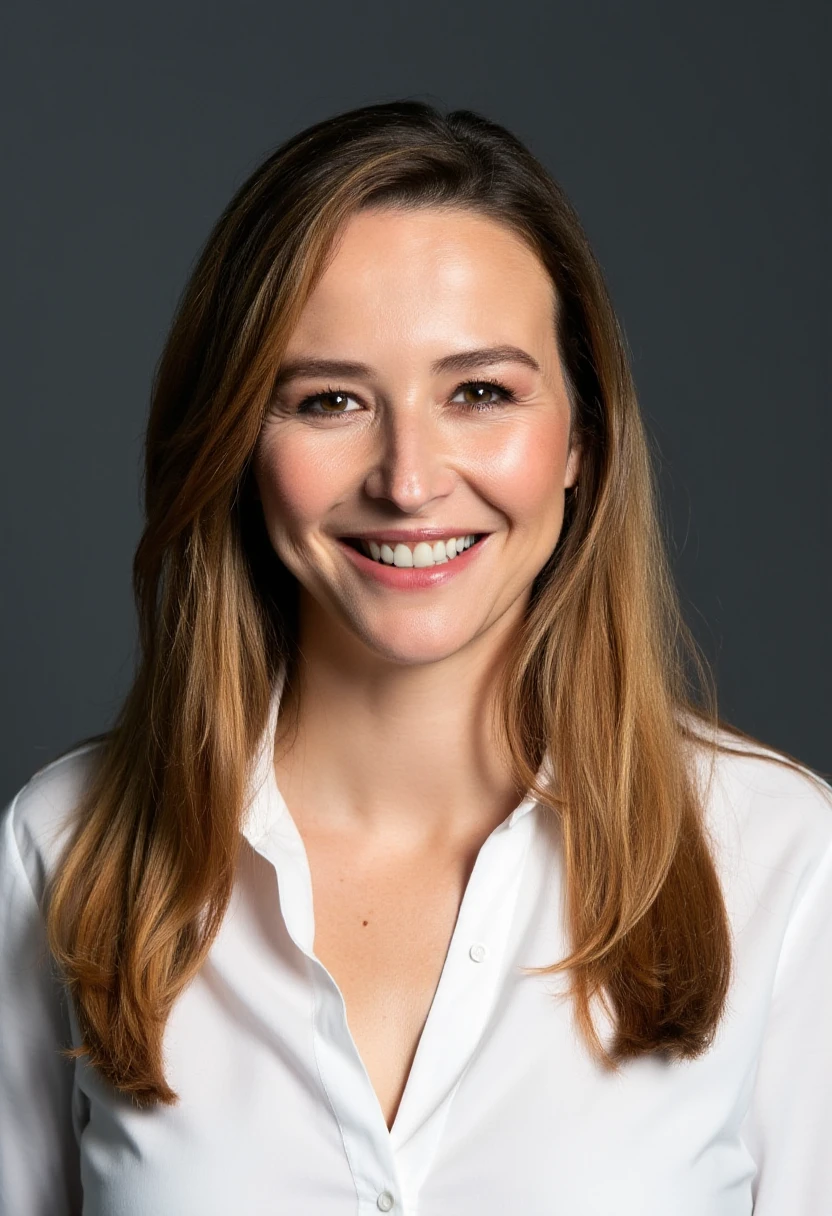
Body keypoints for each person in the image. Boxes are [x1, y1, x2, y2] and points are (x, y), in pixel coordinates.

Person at [1, 100, 830, 1216]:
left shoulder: (781, 863)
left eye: (480, 392)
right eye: (330, 399)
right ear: (240, 443)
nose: (407, 477)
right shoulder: (65, 845)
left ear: (582, 437)